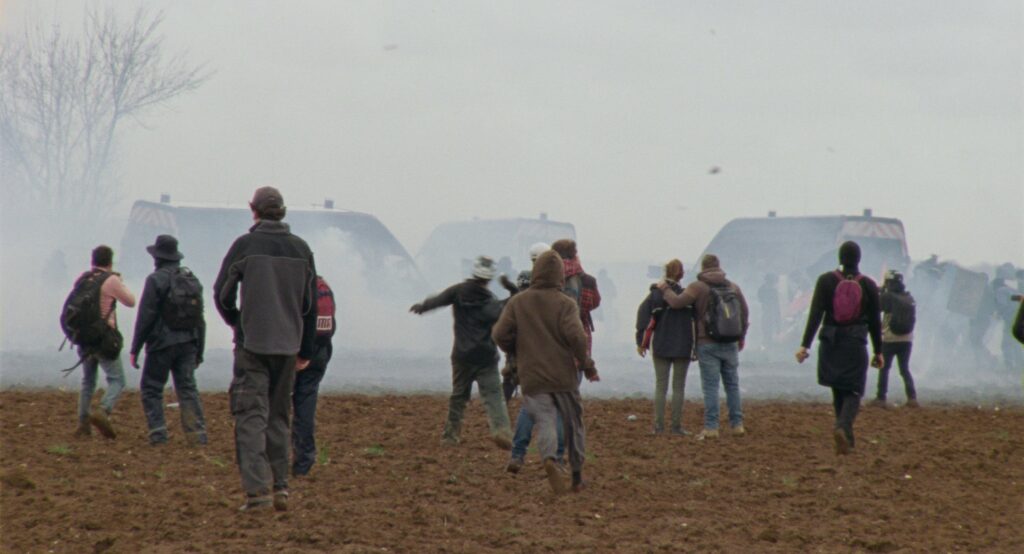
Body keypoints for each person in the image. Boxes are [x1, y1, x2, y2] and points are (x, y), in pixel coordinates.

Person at [214, 186, 317, 512]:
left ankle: (258, 494)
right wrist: (305, 349)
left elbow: (221, 294)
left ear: (253, 210)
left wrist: (236, 322)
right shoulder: (301, 248)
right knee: (279, 417)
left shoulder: (244, 246)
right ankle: (280, 487)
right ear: (282, 211)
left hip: (253, 346)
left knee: (250, 417)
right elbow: (310, 305)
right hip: (288, 348)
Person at [492, 250, 599, 494]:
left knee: (542, 416)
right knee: (571, 421)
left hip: (531, 375)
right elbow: (577, 338)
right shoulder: (565, 303)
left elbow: (499, 334)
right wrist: (586, 364)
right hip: (563, 376)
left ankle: (542, 457)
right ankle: (571, 472)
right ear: (559, 275)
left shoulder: (518, 302)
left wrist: (515, 349)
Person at [409, 256, 513, 449]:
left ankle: (450, 436)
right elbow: (505, 311)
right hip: (486, 358)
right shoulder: (491, 303)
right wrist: (513, 292)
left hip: (461, 356)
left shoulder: (458, 291)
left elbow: (438, 300)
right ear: (489, 278)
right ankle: (502, 431)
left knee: (458, 397)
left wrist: (422, 307)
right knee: (494, 396)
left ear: (473, 272)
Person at [796, 241, 883, 455]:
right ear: (859, 259)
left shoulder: (825, 281)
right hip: (855, 343)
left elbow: (815, 314)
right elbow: (875, 322)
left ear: (840, 258)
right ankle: (843, 428)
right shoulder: (869, 285)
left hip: (830, 343)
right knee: (854, 390)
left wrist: (805, 345)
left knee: (838, 389)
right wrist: (878, 351)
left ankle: (846, 441)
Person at [659, 254, 749, 440]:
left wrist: (664, 288)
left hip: (707, 343)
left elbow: (676, 303)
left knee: (710, 387)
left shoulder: (697, 287)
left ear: (703, 267)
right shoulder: (733, 287)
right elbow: (744, 313)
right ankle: (737, 425)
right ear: (718, 266)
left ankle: (711, 427)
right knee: (732, 385)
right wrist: (741, 337)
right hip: (731, 342)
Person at [129, 235, 208, 446]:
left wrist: (135, 348)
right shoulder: (192, 280)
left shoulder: (155, 280)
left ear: (157, 258)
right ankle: (197, 435)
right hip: (189, 342)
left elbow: (145, 317)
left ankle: (158, 435)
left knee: (152, 388)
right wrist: (199, 350)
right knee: (187, 389)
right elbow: (200, 319)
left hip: (161, 344)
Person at [73, 245, 136, 439]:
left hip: (84, 338)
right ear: (110, 261)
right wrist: (119, 282)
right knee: (117, 380)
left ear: (93, 260)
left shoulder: (83, 279)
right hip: (103, 338)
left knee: (88, 381)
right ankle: (103, 409)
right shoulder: (111, 280)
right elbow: (131, 301)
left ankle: (83, 424)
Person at [635, 259, 695, 435]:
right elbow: (696, 322)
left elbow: (643, 318)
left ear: (665, 272)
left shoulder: (655, 295)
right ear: (682, 274)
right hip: (683, 346)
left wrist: (641, 343)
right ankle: (676, 426)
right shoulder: (687, 296)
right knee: (679, 387)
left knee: (661, 386)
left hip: (661, 345)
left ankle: (659, 426)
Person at [291, 276, 336, 477]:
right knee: (305, 407)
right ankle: (304, 462)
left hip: (294, 353)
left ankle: (275, 460)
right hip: (320, 353)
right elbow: (332, 327)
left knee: (278, 405)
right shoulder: (322, 287)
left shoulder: (293, 284)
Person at [499, 242, 549, 402]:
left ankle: (503, 407)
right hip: (536, 342)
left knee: (510, 374)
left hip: (519, 341)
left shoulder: (517, 296)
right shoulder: (548, 286)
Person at [871, 271, 918, 408]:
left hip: (890, 339)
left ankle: (881, 398)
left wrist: (879, 293)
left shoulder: (888, 296)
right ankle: (912, 398)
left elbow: (876, 307)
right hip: (907, 339)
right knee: (904, 369)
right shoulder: (908, 297)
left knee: (884, 368)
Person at [758, 273, 781, 347]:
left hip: (768, 311)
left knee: (767, 328)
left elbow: (760, 299)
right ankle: (768, 342)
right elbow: (775, 303)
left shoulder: (763, 289)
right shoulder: (771, 290)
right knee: (768, 327)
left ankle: (768, 342)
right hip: (769, 311)